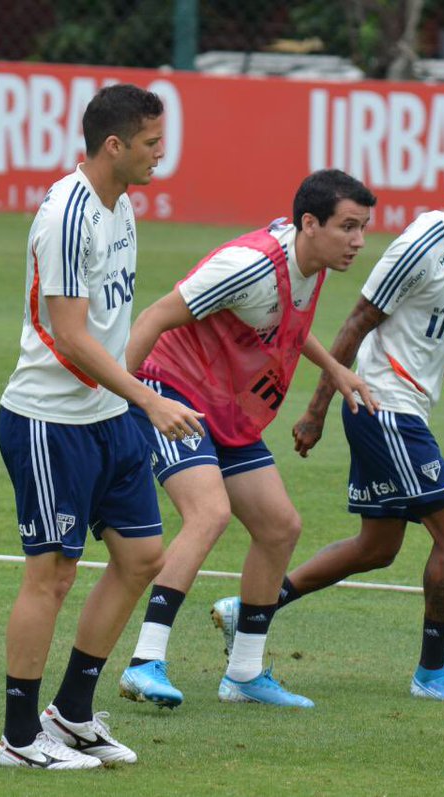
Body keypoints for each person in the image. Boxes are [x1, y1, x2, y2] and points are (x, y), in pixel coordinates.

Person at [213, 138, 444, 704]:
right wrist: (315, 411)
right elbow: (356, 322)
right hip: (384, 408)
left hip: (401, 410)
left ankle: (251, 608)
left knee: (377, 547)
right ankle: (432, 673)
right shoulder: (423, 244)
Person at [0, 84, 205, 769]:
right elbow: (71, 334)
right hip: (50, 421)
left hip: (110, 417)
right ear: (113, 145)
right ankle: (19, 737)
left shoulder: (123, 205)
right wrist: (149, 400)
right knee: (51, 575)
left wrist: (130, 402)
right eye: (151, 143)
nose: (161, 155)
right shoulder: (67, 214)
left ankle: (73, 713)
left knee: (142, 556)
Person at [117, 170, 378, 709]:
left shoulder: (312, 262)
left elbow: (285, 325)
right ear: (310, 224)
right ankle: (144, 662)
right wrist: (126, 403)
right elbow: (153, 316)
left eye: (363, 228)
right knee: (208, 514)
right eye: (349, 227)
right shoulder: (249, 266)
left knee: (280, 526)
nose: (359, 241)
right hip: (173, 393)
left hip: (229, 408)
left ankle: (243, 674)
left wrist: (335, 369)